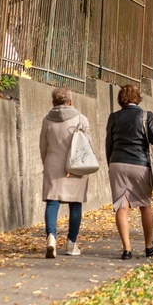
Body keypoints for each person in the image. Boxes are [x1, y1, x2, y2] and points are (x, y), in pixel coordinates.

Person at [105, 84, 153, 260]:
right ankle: (148, 245)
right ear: (137, 98)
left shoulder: (114, 117)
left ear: (121, 100)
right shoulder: (145, 115)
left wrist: (111, 164)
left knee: (121, 206)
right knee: (145, 205)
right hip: (140, 165)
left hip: (117, 163)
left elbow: (109, 143)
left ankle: (127, 249)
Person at [40, 87, 92, 258]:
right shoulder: (81, 119)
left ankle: (51, 238)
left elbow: (43, 147)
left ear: (53, 102)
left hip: (52, 164)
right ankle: (71, 243)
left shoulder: (47, 121)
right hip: (75, 166)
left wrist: (45, 164)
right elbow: (87, 145)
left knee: (52, 202)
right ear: (70, 102)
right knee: (75, 204)